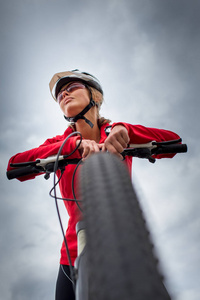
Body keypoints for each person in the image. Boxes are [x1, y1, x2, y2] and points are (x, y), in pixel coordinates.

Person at [7, 69, 181, 300]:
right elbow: (13, 165)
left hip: (122, 235)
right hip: (72, 253)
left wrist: (126, 130)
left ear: (95, 97)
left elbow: (173, 140)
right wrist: (72, 146)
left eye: (72, 88)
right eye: (60, 94)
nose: (64, 94)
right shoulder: (61, 142)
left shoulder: (115, 132)